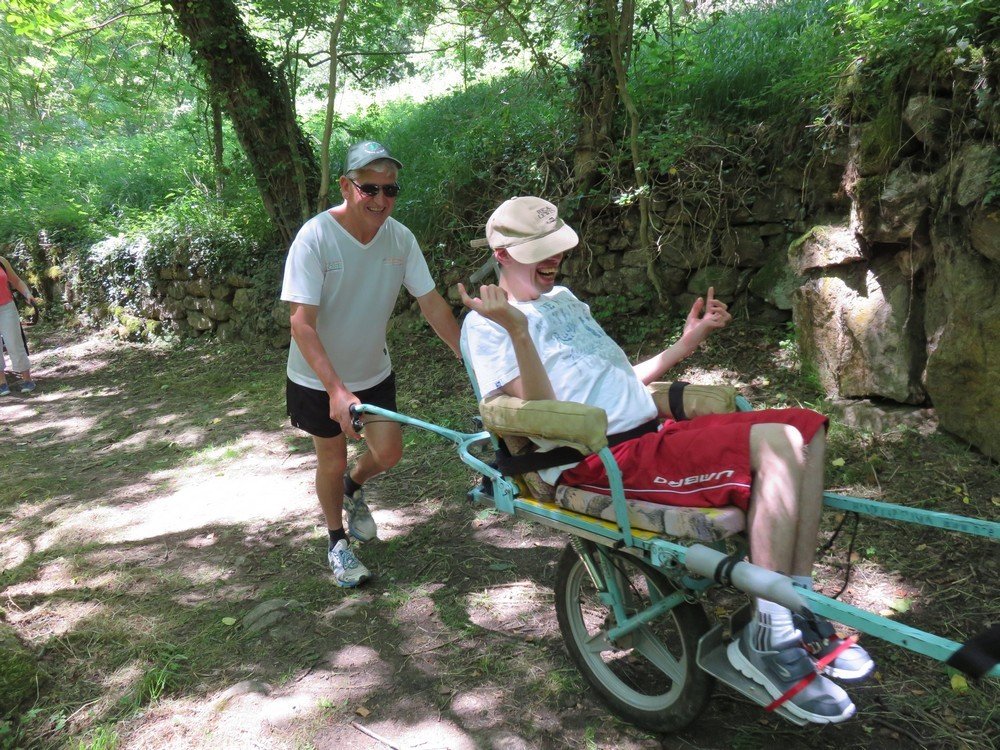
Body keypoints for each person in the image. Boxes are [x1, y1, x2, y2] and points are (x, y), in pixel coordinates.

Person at [458, 196, 874, 725]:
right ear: (502, 253)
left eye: (559, 248)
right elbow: (540, 413)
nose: (554, 260)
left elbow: (617, 380)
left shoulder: (565, 300)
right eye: (542, 252)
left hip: (653, 435)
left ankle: (790, 608)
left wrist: (687, 341)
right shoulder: (488, 326)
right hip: (600, 456)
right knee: (779, 443)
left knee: (805, 427)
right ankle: (768, 637)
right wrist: (517, 329)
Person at [281, 141, 461, 588]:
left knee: (389, 451)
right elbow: (301, 324)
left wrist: (469, 355)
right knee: (332, 458)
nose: (381, 200)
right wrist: (336, 391)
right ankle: (337, 542)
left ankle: (353, 490)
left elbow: (432, 303)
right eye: (370, 189)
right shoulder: (316, 236)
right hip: (316, 377)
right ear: (346, 186)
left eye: (390, 190)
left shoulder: (401, 238)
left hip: (372, 370)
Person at [0, 255, 38, 396]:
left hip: (6, 308)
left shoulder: (1, 261)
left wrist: (27, 293)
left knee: (14, 342)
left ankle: (27, 379)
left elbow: (16, 281)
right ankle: (2, 383)